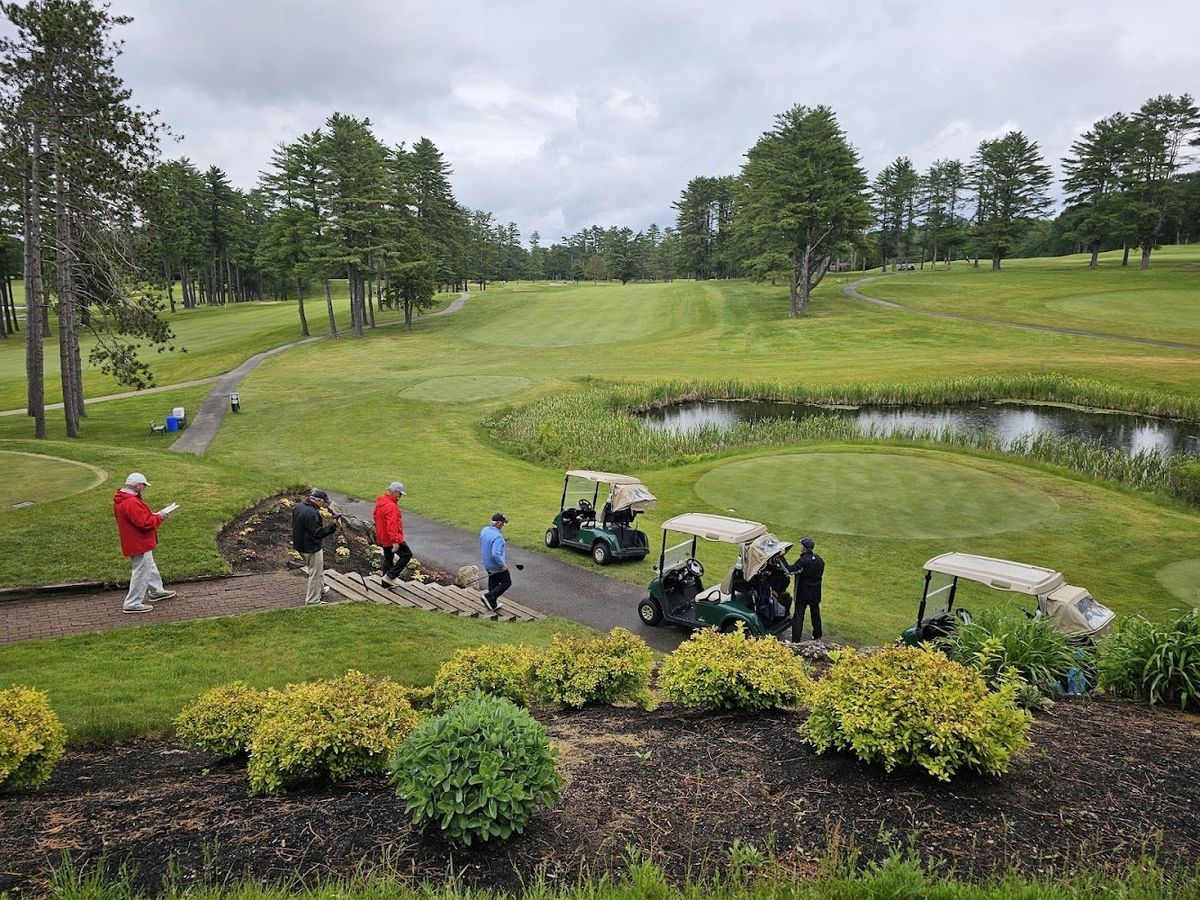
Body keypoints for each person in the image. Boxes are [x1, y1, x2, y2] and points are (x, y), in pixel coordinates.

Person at [113, 472, 176, 613]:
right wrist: (160, 517)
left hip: (134, 540)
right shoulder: (131, 502)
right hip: (139, 542)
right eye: (144, 486)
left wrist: (155, 515)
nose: (144, 489)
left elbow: (138, 518)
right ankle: (132, 603)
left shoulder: (123, 499)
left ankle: (156, 591)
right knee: (141, 571)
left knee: (149, 566)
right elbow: (146, 523)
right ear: (138, 485)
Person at [292, 488, 340, 605]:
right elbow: (318, 533)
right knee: (315, 573)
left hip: (300, 545)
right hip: (311, 548)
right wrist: (333, 526)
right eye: (323, 503)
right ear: (318, 500)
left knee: (316, 569)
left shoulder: (299, 507)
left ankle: (321, 590)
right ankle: (312, 600)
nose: (324, 505)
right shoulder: (312, 513)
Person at [373, 481, 412, 587]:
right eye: (399, 494)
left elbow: (375, 517)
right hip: (392, 538)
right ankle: (389, 576)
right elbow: (392, 525)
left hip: (383, 537)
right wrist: (395, 541)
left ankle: (386, 583)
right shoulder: (391, 506)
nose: (400, 497)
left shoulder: (380, 503)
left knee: (388, 559)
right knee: (406, 555)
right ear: (394, 492)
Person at [790, 537, 825, 641]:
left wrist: (781, 558)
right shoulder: (819, 559)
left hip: (803, 594)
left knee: (798, 617)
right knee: (815, 614)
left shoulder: (802, 561)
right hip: (815, 593)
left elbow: (790, 570)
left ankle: (796, 641)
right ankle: (817, 636)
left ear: (804, 548)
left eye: (801, 545)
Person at [479, 512, 510, 611]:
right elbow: (495, 554)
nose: (503, 525)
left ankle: (492, 604)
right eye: (502, 523)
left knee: (493, 582)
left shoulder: (484, 530)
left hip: (487, 563)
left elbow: (482, 542)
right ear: (498, 523)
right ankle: (489, 597)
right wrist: (503, 565)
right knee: (506, 582)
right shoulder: (498, 537)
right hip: (496, 566)